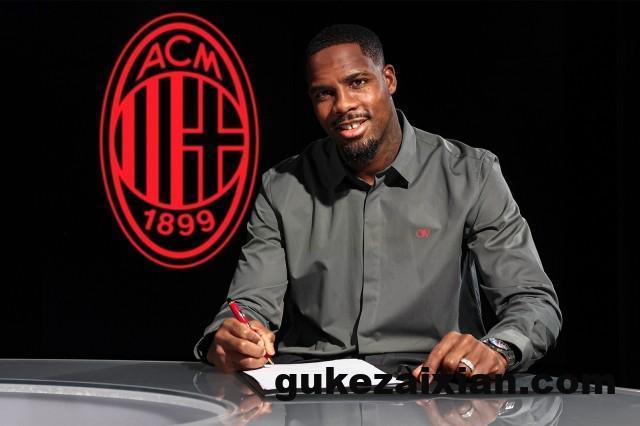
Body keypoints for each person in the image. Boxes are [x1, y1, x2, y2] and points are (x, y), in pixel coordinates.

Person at [194, 24, 562, 380]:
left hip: (432, 384)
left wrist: (497, 348)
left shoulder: (471, 175)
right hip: (311, 391)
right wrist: (233, 339)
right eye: (324, 94)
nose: (343, 105)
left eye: (357, 83)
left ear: (388, 79)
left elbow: (532, 300)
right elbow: (248, 305)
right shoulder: (281, 187)